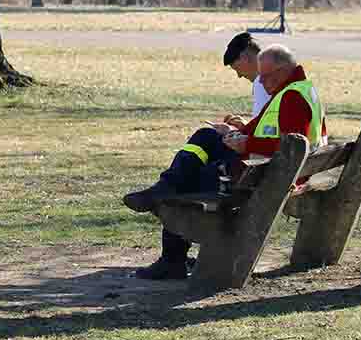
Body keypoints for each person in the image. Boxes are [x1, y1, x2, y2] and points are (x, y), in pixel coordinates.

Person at [124, 43, 322, 280]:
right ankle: (165, 190)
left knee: (186, 182)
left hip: (261, 176)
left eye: (265, 76)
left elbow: (291, 148)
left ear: (281, 71)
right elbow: (276, 134)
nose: (260, 82)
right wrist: (239, 130)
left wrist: (247, 144)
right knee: (207, 136)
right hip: (263, 170)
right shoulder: (298, 89)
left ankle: (172, 258)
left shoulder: (291, 97)